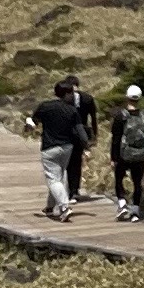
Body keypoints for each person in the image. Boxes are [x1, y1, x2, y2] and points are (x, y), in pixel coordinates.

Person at [28, 76, 85, 219]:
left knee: (53, 179)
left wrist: (28, 127)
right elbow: (80, 131)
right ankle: (50, 207)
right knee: (58, 177)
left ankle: (64, 207)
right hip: (67, 148)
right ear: (66, 94)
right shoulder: (72, 110)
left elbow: (32, 122)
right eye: (71, 93)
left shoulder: (45, 106)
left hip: (49, 148)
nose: (73, 96)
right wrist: (87, 146)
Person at [109, 83, 144, 219]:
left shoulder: (121, 115)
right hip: (140, 154)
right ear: (139, 98)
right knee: (137, 182)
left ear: (127, 97)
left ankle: (122, 204)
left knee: (119, 179)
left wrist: (113, 157)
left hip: (123, 154)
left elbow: (115, 138)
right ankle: (135, 211)